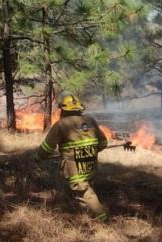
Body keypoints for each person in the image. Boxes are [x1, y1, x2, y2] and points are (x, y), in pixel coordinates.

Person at [36, 92, 130, 221]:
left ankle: (103, 219)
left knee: (85, 192)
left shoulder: (61, 125)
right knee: (82, 191)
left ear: (63, 110)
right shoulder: (90, 121)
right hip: (91, 165)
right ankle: (85, 215)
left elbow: (47, 148)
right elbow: (103, 143)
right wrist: (89, 150)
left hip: (74, 167)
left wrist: (37, 157)